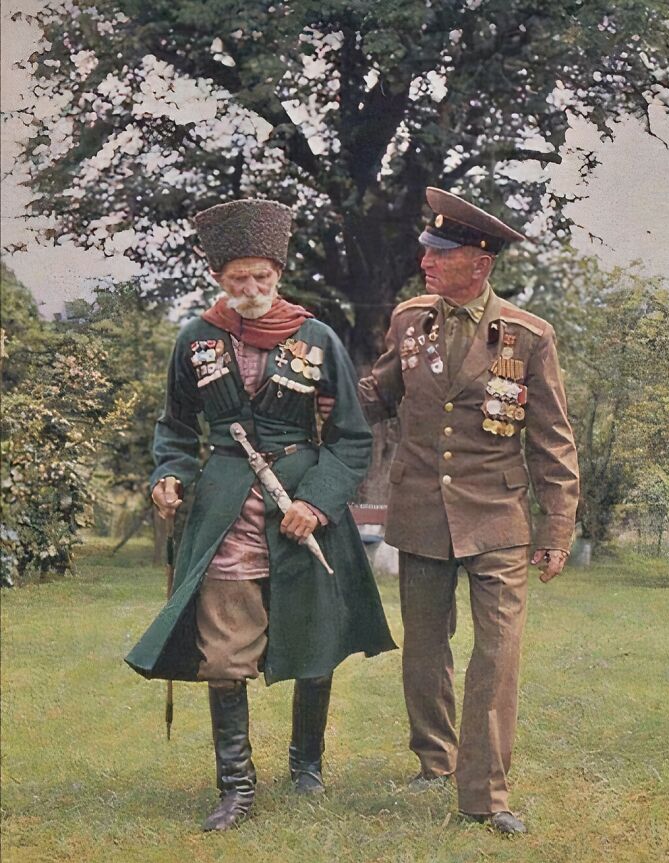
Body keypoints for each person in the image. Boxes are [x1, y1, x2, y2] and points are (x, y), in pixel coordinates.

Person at [125, 198, 395, 832]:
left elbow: (353, 440)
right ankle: (236, 788)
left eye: (262, 277)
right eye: (237, 277)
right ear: (219, 275)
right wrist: (169, 475)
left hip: (301, 510)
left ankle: (307, 766)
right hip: (223, 512)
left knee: (315, 637)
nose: (250, 289)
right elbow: (174, 430)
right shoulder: (194, 339)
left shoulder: (317, 336)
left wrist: (316, 502)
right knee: (224, 649)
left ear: (279, 270)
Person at [358, 187, 579, 835]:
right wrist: (322, 393)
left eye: (440, 253)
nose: (426, 261)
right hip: (423, 513)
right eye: (428, 251)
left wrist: (557, 528)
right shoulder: (409, 320)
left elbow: (553, 441)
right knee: (425, 650)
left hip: (498, 521)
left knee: (498, 652)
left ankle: (484, 792)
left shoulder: (528, 337)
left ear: (478, 263)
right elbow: (377, 395)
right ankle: (434, 759)